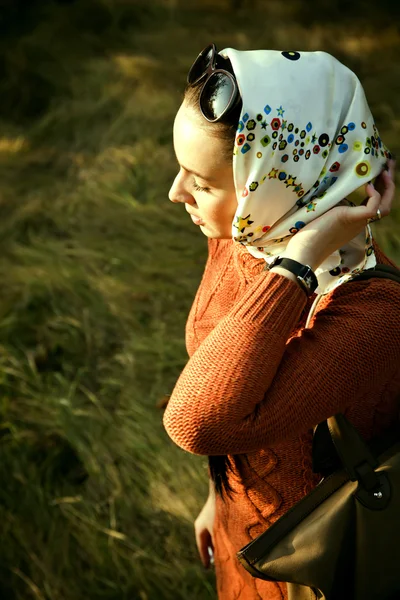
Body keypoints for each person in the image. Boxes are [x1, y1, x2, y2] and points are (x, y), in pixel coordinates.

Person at [163, 44, 399, 600]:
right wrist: (219, 500)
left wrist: (301, 260)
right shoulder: (250, 238)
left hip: (306, 561)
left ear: (275, 185)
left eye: (201, 182)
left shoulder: (372, 317)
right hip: (242, 534)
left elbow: (195, 422)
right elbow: (227, 377)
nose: (175, 194)